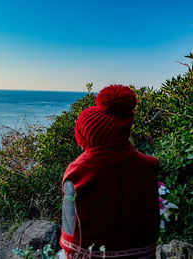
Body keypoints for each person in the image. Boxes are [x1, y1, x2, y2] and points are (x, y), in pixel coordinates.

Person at [60, 85, 160, 259]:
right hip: (144, 254)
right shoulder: (149, 166)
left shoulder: (77, 171)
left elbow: (69, 228)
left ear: (86, 137)